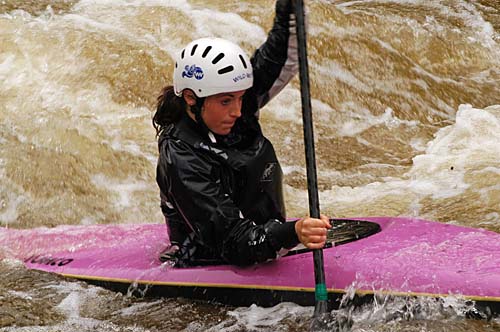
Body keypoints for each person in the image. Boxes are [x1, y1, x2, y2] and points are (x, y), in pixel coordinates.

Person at [153, 0, 331, 267]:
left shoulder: (234, 103)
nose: (239, 111)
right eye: (226, 101)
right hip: (214, 259)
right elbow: (233, 241)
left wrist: (288, 9)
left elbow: (283, 56)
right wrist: (292, 233)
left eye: (241, 98)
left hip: (266, 240)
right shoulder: (180, 158)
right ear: (191, 98)